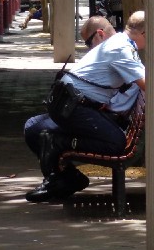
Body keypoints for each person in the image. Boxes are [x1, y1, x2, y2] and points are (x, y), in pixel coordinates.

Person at [25, 11, 148, 203]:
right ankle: (58, 155)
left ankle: (64, 178)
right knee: (115, 143)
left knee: (34, 126)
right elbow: (147, 84)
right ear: (146, 32)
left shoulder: (121, 45)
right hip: (74, 106)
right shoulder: (121, 48)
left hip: (75, 105)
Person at [23, 16, 119, 164]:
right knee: (33, 126)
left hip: (95, 114)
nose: (89, 48)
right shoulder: (104, 54)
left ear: (100, 34)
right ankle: (61, 177)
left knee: (39, 131)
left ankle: (58, 146)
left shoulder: (117, 52)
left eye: (88, 43)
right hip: (82, 110)